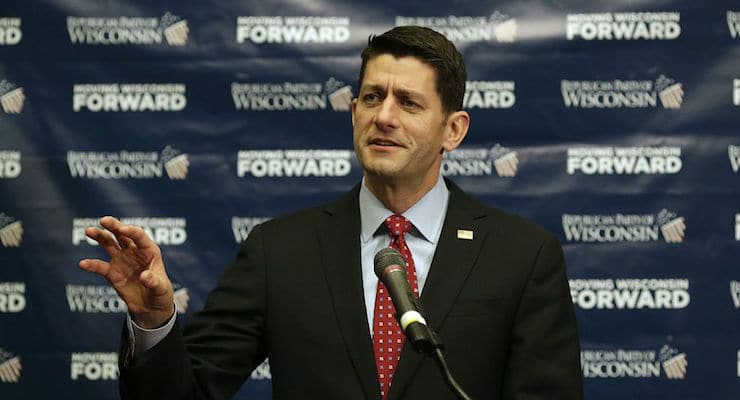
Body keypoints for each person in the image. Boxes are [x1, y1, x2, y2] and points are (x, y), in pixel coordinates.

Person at [80, 26, 583, 400]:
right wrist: (154, 320)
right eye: (371, 97)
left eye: (408, 103)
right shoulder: (280, 251)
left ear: (453, 130)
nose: (383, 116)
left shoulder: (522, 255)